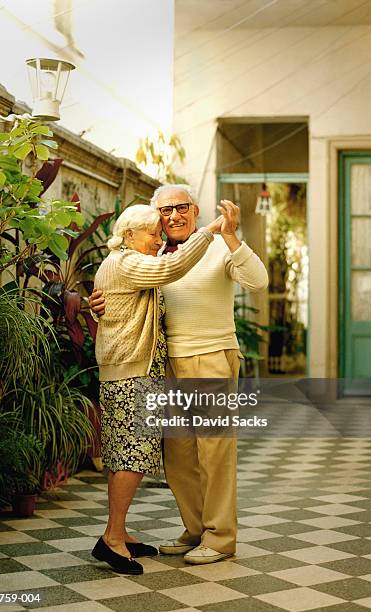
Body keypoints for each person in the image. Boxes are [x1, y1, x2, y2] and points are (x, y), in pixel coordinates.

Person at [90, 186, 268, 565]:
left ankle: (220, 537)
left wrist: (232, 236)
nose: (173, 215)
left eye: (181, 207)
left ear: (195, 209)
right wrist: (98, 305)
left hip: (210, 358)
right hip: (165, 362)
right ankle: (196, 528)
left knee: (214, 452)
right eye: (165, 210)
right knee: (178, 455)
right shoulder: (150, 255)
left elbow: (258, 281)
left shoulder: (218, 246)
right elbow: (127, 300)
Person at [90, 204, 223, 575]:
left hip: (130, 372)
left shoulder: (123, 264)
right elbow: (171, 267)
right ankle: (112, 539)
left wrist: (97, 306)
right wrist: (208, 230)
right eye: (152, 232)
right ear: (128, 235)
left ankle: (119, 532)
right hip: (133, 374)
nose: (159, 239)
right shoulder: (128, 262)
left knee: (123, 454)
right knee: (132, 456)